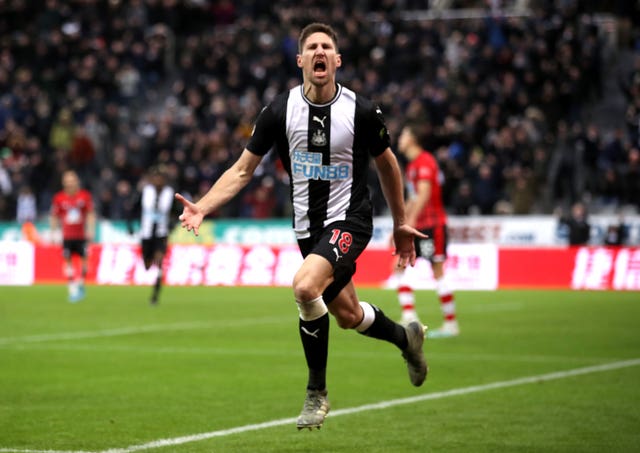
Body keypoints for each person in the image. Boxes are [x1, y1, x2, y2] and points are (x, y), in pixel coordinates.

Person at [175, 23, 428, 430]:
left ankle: (316, 394)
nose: (319, 52)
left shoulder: (361, 111)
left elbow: (387, 164)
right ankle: (406, 339)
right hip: (308, 229)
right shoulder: (279, 111)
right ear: (300, 60)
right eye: (311, 47)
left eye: (326, 46)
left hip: (350, 219)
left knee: (305, 286)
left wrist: (400, 223)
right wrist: (202, 206)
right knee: (347, 315)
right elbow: (242, 171)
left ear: (337, 60)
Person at [393, 123, 459, 338]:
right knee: (399, 265)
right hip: (418, 225)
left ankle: (451, 324)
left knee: (437, 270)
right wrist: (400, 223)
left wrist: (409, 222)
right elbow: (413, 198)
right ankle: (409, 315)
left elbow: (424, 194)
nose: (400, 138)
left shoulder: (425, 161)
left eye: (404, 133)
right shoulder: (412, 166)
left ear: (413, 138)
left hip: (433, 225)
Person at [128, 165, 176, 305]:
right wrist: (130, 224)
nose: (158, 181)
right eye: (156, 178)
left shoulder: (170, 193)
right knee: (147, 264)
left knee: (160, 261)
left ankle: (155, 293)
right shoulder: (145, 192)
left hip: (161, 233)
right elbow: (134, 208)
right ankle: (152, 271)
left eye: (160, 178)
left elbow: (177, 210)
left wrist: (173, 223)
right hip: (146, 233)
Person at [50, 169, 96, 302]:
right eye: (67, 181)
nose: (70, 183)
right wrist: (53, 232)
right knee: (67, 261)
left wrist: (91, 229)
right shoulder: (59, 198)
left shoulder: (84, 196)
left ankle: (81, 283)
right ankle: (71, 286)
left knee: (85, 260)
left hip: (81, 235)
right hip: (67, 236)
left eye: (72, 181)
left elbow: (90, 213)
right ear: (63, 183)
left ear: (77, 182)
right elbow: (54, 216)